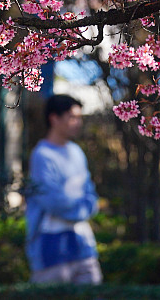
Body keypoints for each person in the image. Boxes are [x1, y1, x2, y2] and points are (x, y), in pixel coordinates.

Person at [25, 93, 103, 285]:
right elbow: (52, 201)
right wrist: (83, 209)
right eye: (72, 117)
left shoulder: (77, 152)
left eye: (79, 118)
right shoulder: (42, 155)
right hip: (51, 247)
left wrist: (86, 205)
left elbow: (90, 192)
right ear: (54, 118)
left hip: (83, 244)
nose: (78, 123)